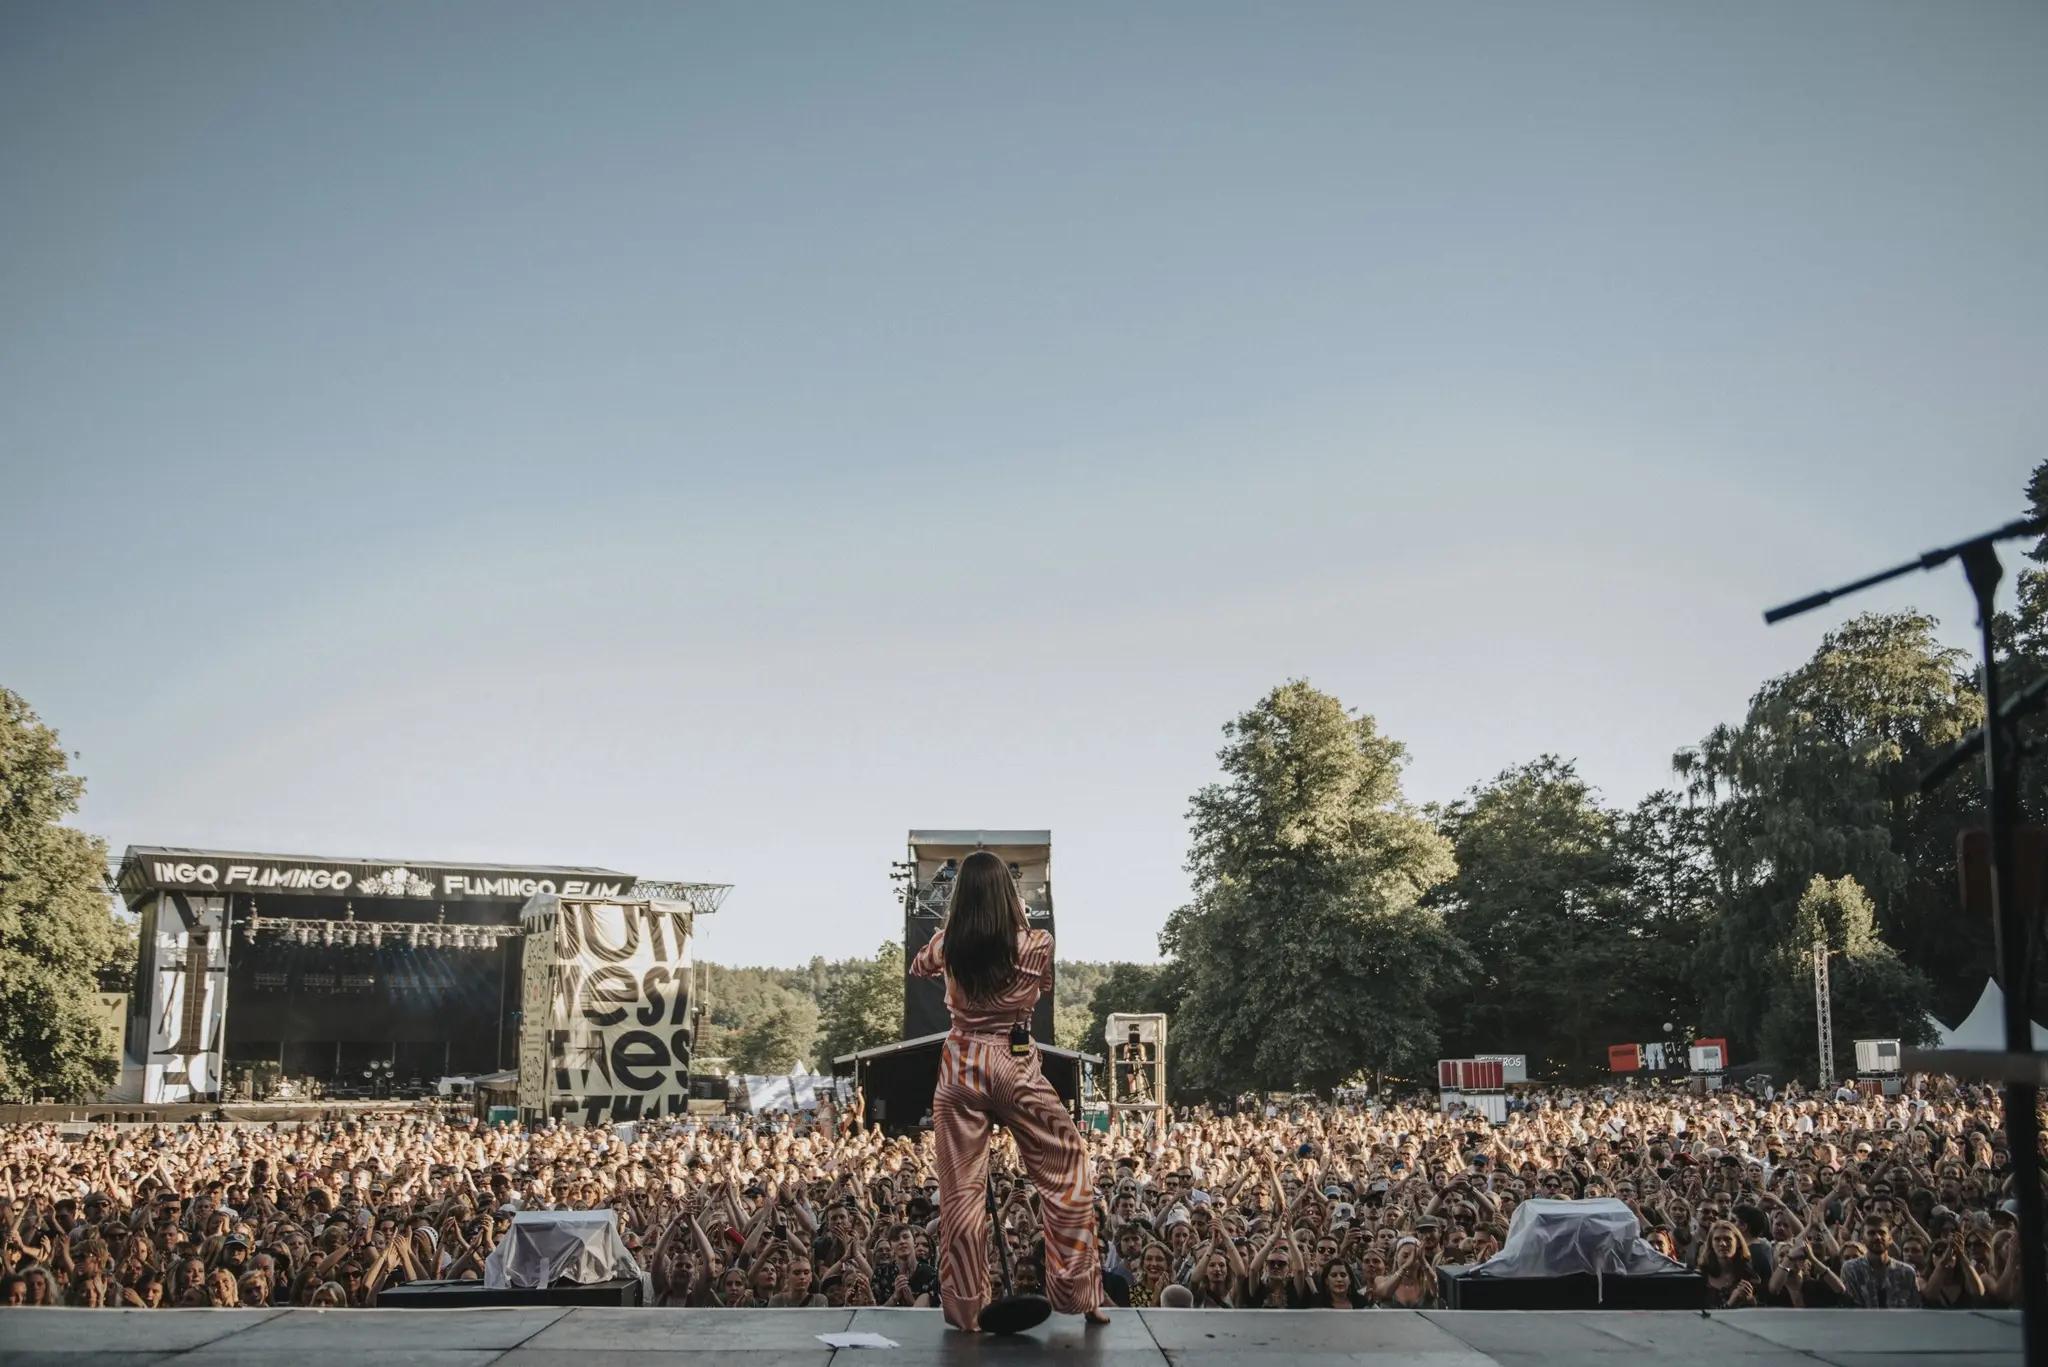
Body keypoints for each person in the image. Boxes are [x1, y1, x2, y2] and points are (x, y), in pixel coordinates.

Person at [909, 850, 1108, 1332]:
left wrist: (952, 936)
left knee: (960, 1194)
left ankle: (966, 1309)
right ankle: (1080, 1294)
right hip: (1013, 1063)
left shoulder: (947, 943)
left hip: (959, 1069)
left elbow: (920, 967)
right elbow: (1041, 983)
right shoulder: (1038, 942)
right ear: (1008, 894)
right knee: (1068, 1168)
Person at [1842, 1220, 1922, 1309]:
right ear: (1862, 1239)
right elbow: (1849, 1308)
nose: (1878, 1237)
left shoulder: (1907, 1272)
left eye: (1882, 1233)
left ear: (1890, 1239)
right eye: (1871, 1233)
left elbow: (1915, 1309)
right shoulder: (1851, 1269)